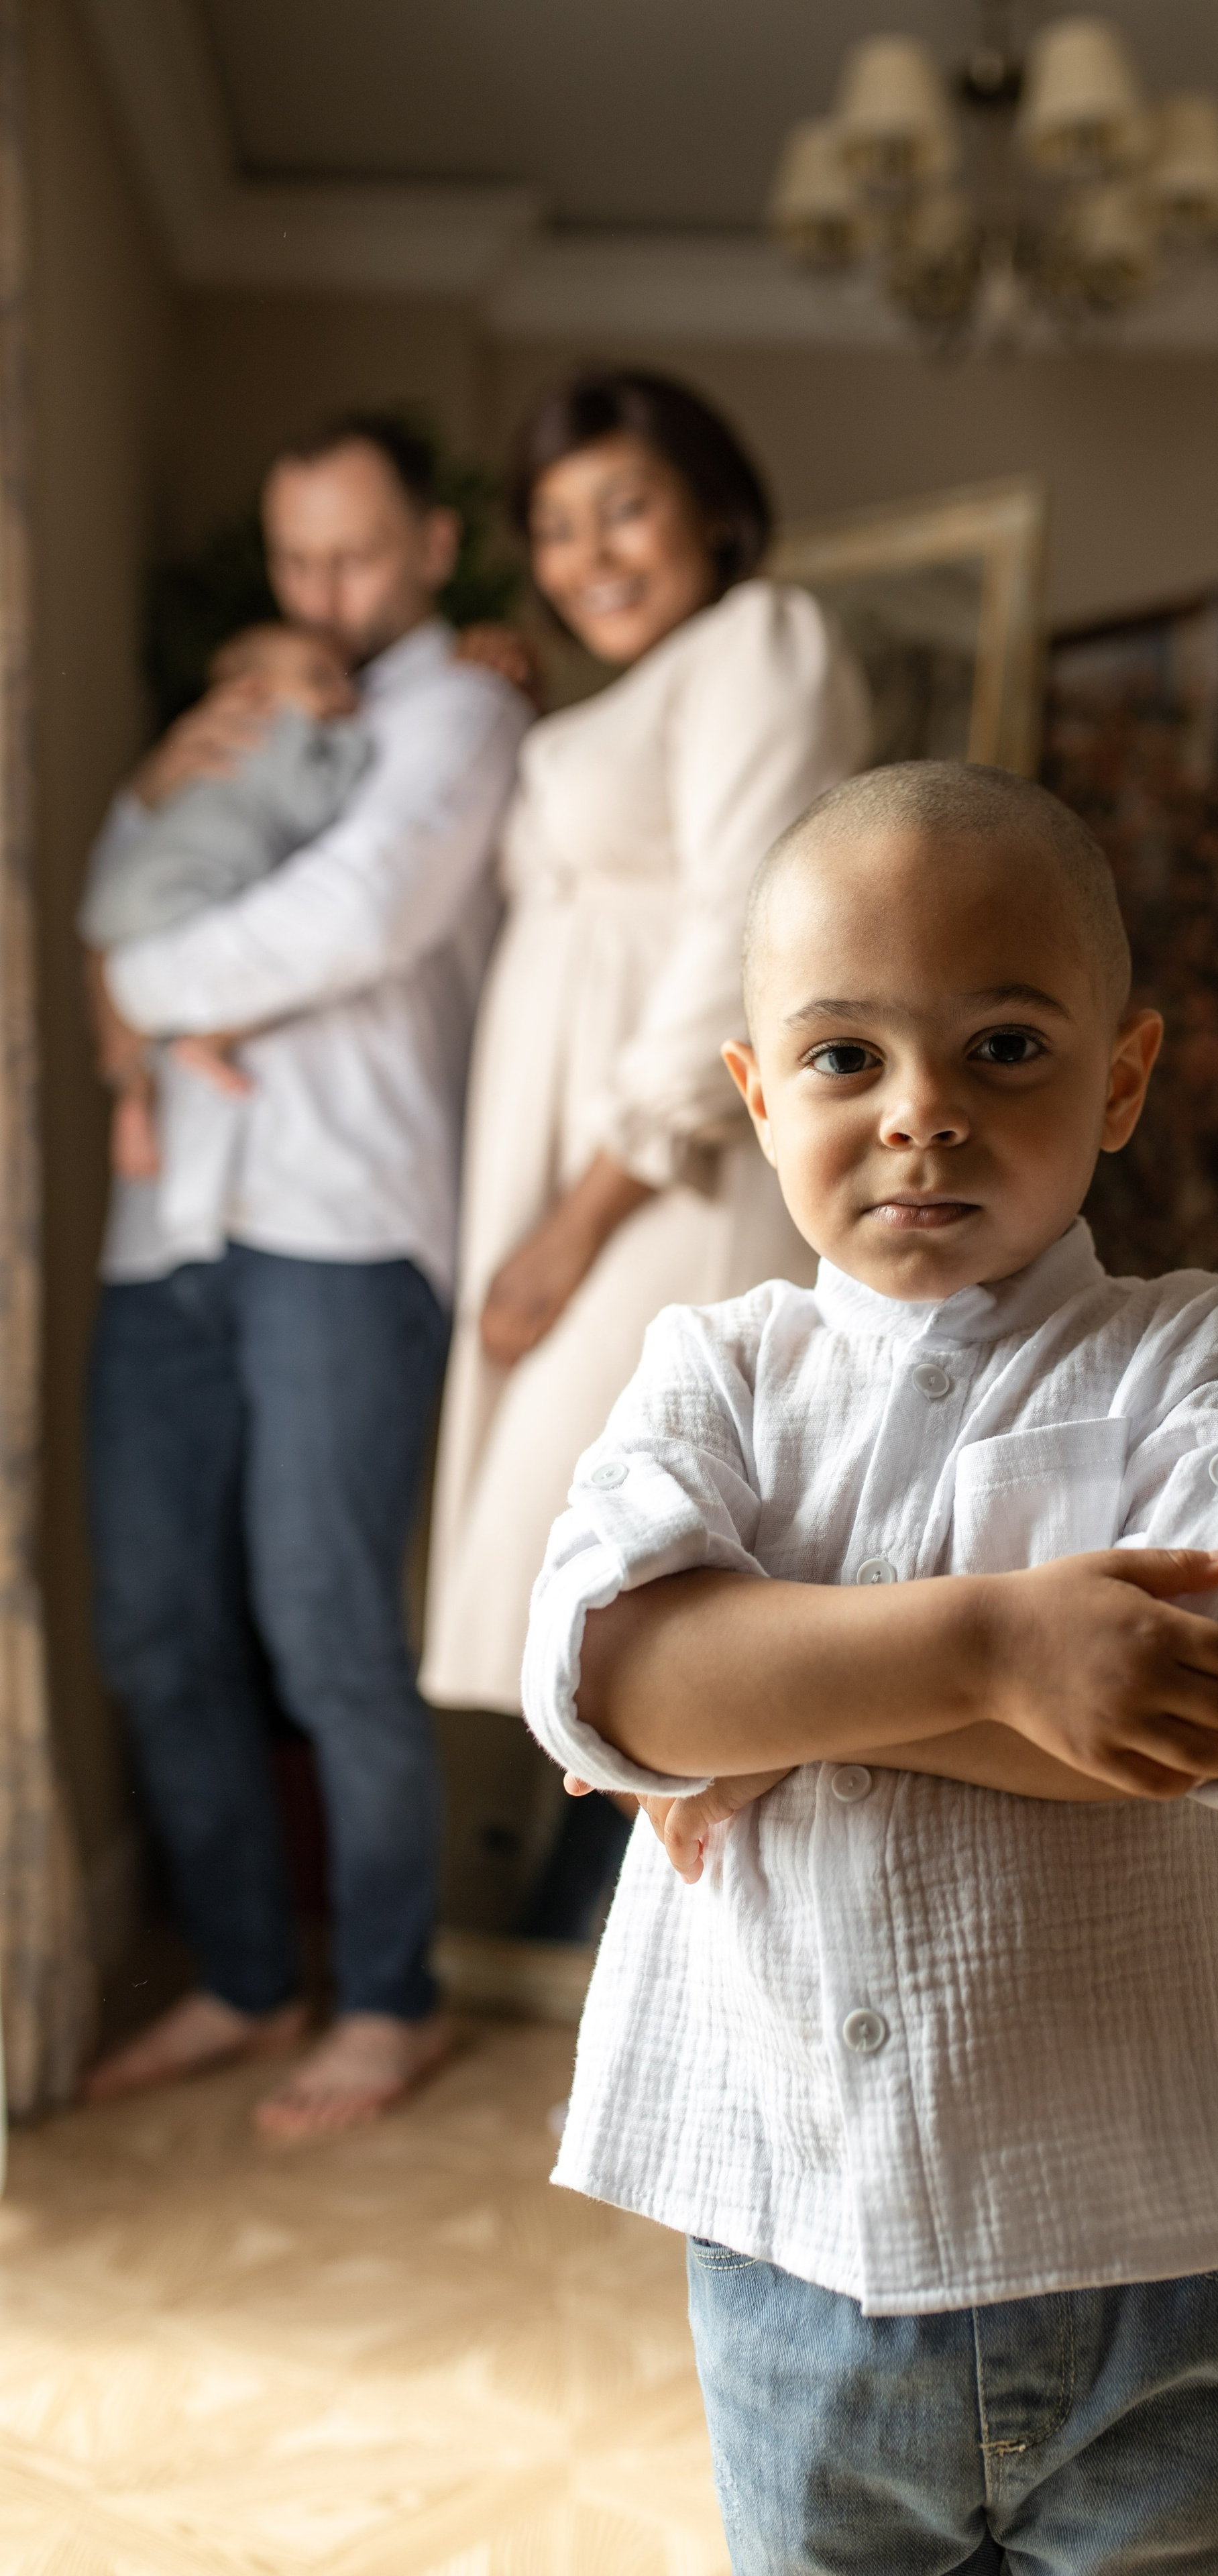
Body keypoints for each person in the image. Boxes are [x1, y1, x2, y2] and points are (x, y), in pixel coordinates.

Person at [524, 762, 1218, 2575]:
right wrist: (997, 1643)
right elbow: (610, 1675)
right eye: (845, 1060)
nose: (920, 1117)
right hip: (801, 2249)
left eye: (1003, 1048)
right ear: (755, 1096)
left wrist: (794, 1703)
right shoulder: (715, 1374)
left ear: (1120, 1077)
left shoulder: (1200, 1354)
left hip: (1173, 2262)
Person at [80, 414, 532, 2137]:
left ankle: (391, 1997)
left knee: (328, 1622)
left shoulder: (464, 710)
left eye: (356, 555)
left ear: (431, 545)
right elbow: (138, 867)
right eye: (295, 559)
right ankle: (248, 1974)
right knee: (152, 1614)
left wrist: (131, 994)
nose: (324, 591)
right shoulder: (250, 695)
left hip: (345, 1224)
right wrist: (144, 816)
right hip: (169, 1225)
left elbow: (356, 920)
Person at [419, 371, 868, 1917]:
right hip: (572, 1158)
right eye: (552, 526)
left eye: (624, 507)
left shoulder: (764, 639)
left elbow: (748, 918)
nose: (589, 552)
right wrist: (512, 701)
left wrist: (580, 1212)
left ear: (709, 507)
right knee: (596, 1539)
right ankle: (616, 1912)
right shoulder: (624, 686)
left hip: (666, 1167)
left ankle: (658, 1924)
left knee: (630, 1526)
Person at [81, 622, 371, 1191]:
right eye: (320, 680)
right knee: (271, 971)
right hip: (177, 891)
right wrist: (359, 744)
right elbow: (312, 803)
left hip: (123, 898)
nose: (343, 696)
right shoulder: (277, 732)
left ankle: (134, 1101)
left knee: (136, 1019)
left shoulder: (215, 749)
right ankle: (208, 1038)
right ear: (254, 694)